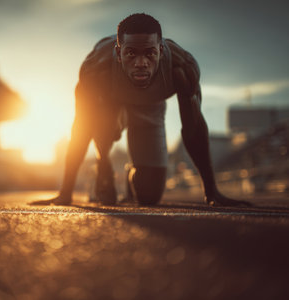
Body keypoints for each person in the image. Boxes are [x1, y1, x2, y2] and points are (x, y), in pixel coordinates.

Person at [37, 13, 250, 207]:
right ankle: (102, 168)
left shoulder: (181, 67)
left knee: (149, 197)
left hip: (151, 108)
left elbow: (193, 128)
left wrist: (211, 191)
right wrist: (66, 192)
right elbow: (82, 128)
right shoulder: (96, 69)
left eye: (149, 54)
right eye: (131, 54)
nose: (141, 63)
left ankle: (132, 176)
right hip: (110, 106)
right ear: (118, 53)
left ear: (161, 50)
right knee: (100, 122)